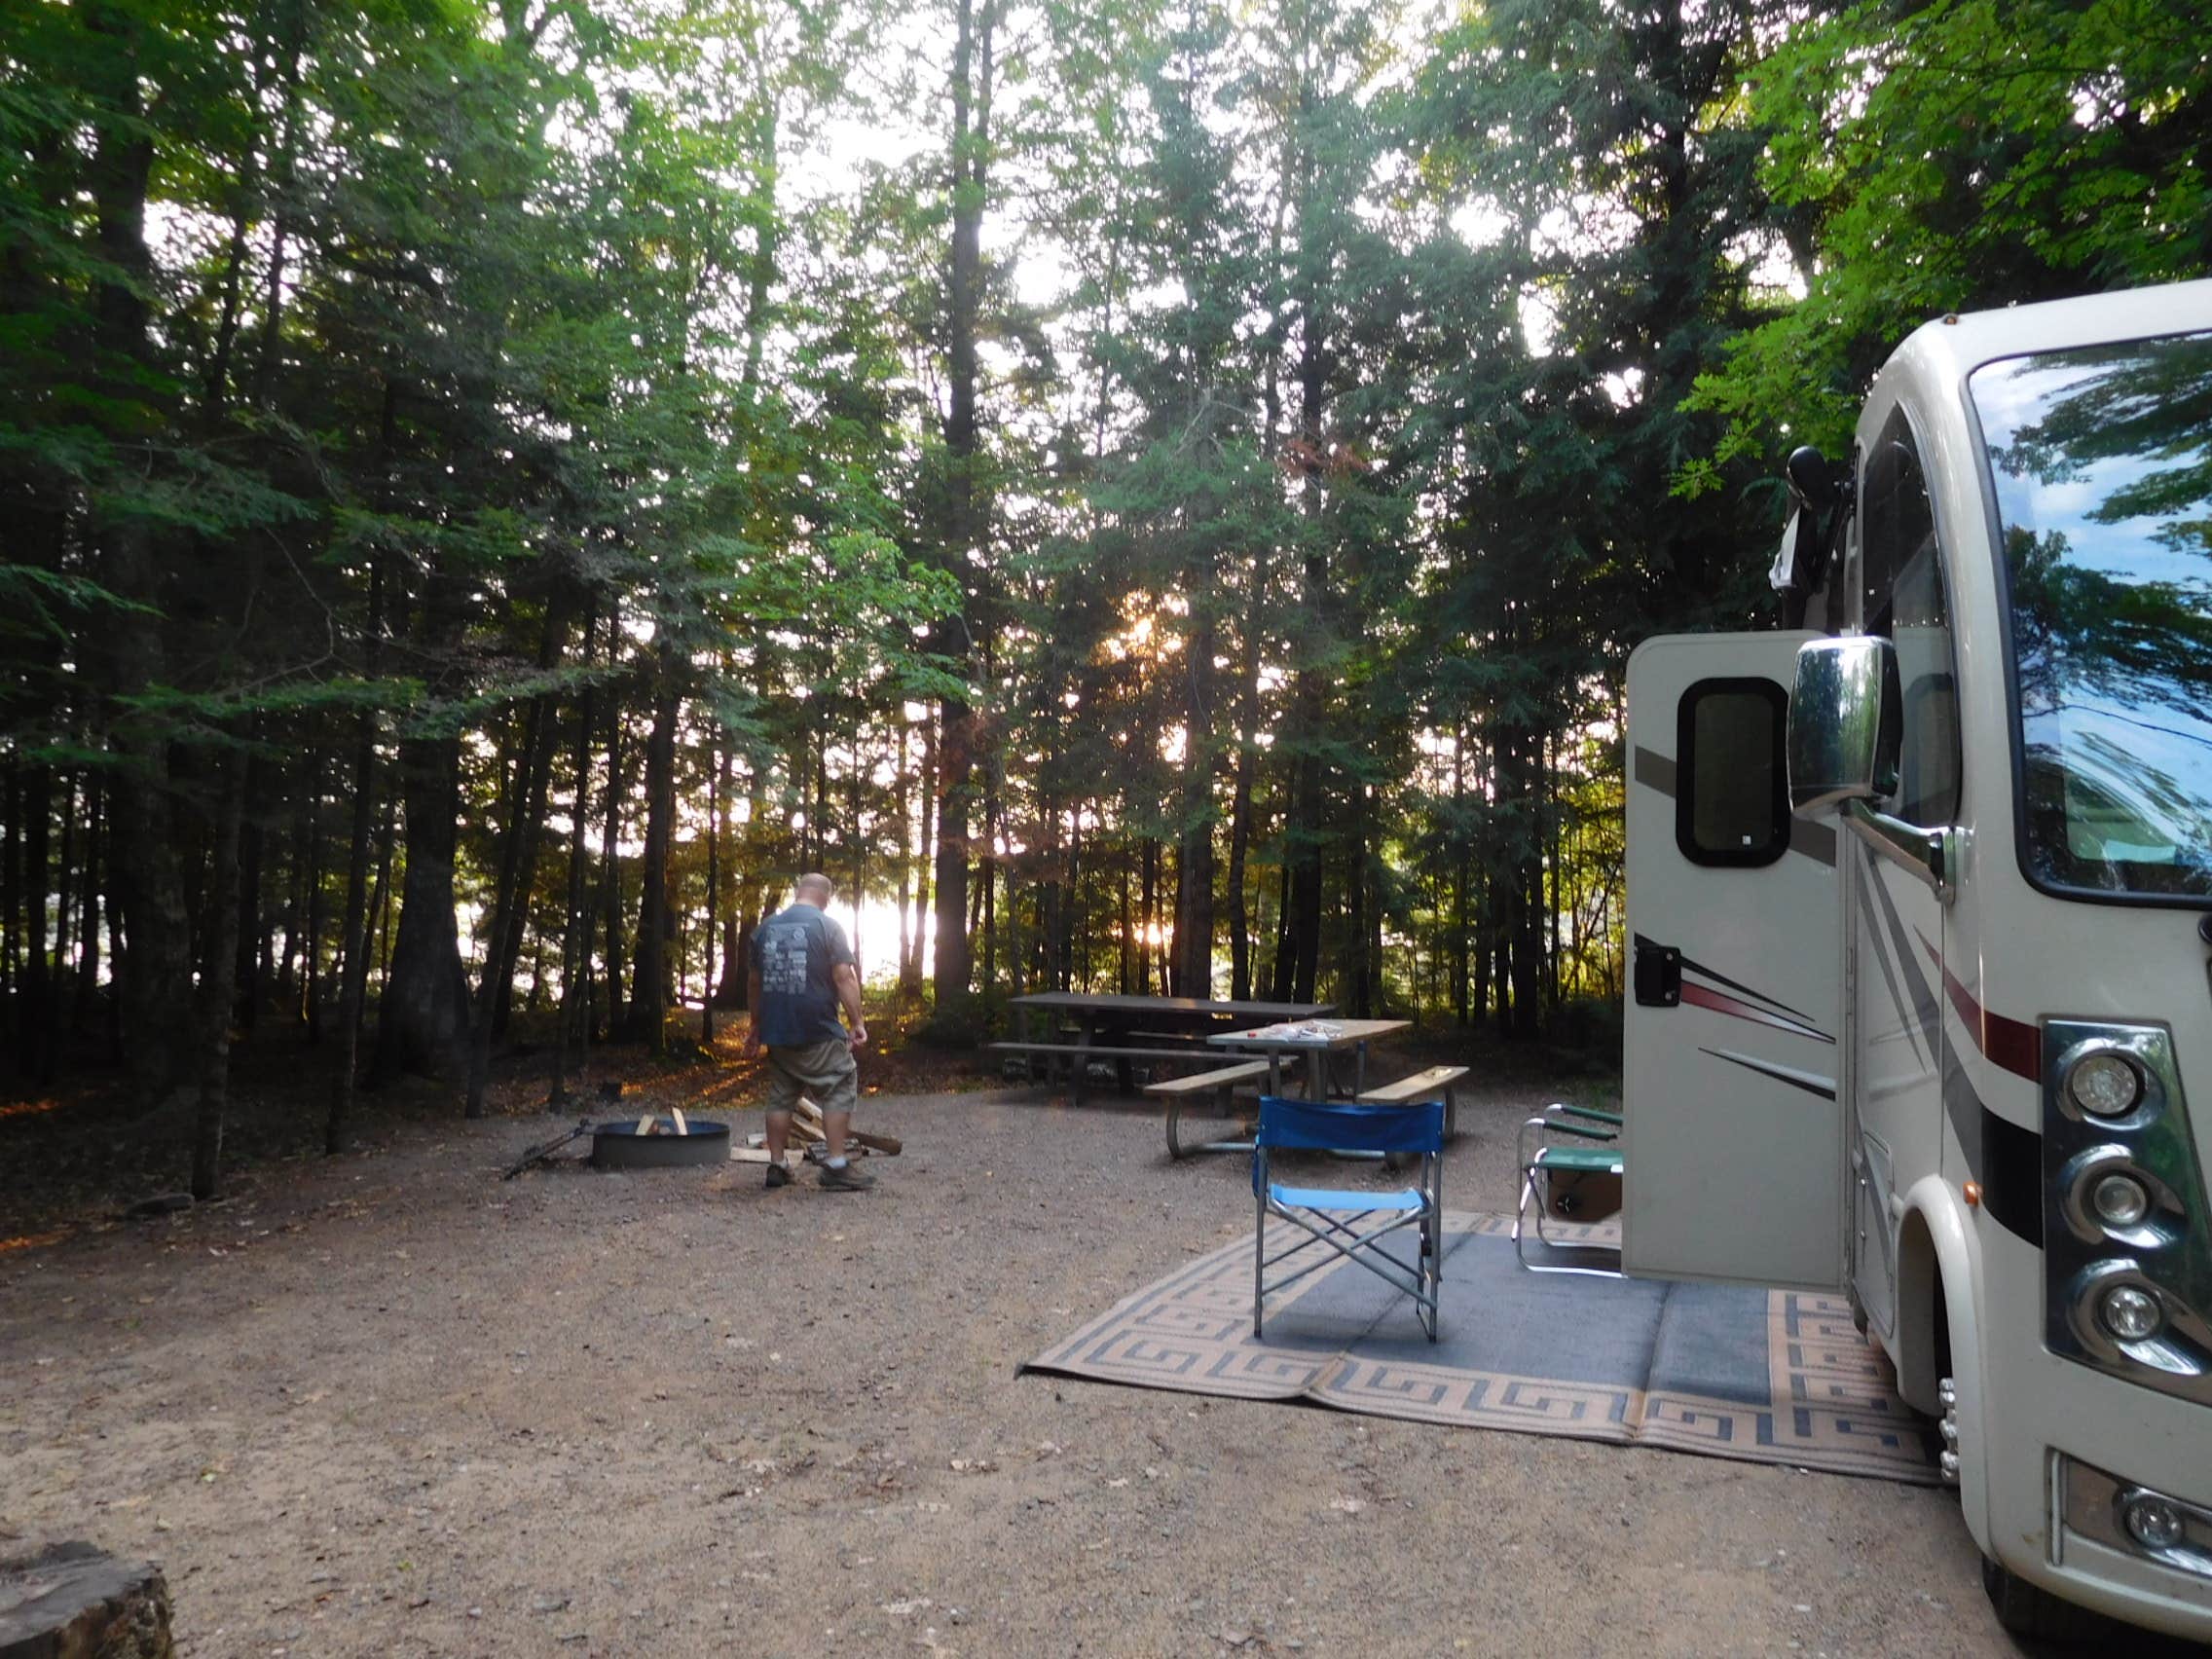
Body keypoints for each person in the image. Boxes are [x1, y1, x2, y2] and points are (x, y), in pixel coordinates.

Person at [741, 872, 873, 1192]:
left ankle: (777, 1164)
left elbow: (755, 983)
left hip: (778, 1030)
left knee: (782, 1095)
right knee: (840, 1084)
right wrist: (857, 1022)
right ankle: (837, 1166)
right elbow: (844, 977)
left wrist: (756, 1026)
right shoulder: (828, 927)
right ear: (826, 898)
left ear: (797, 891)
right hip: (819, 1028)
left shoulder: (764, 930)